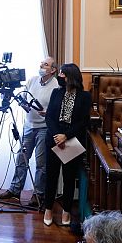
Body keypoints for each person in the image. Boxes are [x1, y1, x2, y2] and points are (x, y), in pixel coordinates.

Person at [0, 57, 60, 207]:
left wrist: (48, 112)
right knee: (21, 158)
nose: (42, 65)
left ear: (53, 70)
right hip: (29, 126)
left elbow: (56, 109)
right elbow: (24, 97)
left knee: (40, 163)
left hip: (44, 128)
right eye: (41, 63)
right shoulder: (32, 80)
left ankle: (38, 194)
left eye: (45, 64)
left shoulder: (56, 86)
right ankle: (14, 189)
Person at [43, 63, 92, 226]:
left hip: (72, 140)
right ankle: (48, 209)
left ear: (71, 77)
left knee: (69, 178)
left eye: (63, 74)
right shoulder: (56, 93)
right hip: (54, 137)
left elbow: (83, 121)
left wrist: (66, 136)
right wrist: (58, 135)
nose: (60, 77)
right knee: (51, 176)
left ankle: (66, 211)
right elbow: (49, 117)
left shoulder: (84, 96)